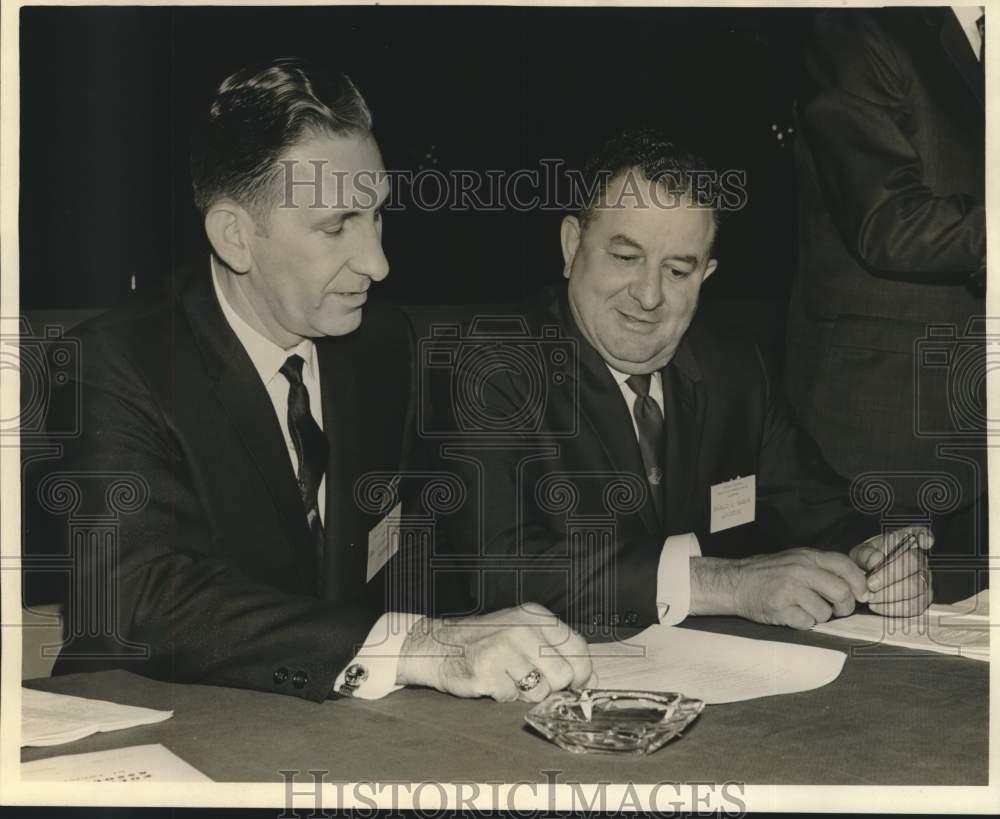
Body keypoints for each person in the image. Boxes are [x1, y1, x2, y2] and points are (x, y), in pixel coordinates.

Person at [35, 58, 590, 704]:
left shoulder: (382, 347)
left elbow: (407, 569)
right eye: (337, 227)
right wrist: (414, 645)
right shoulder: (112, 364)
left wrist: (483, 642)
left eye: (377, 215)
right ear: (236, 237)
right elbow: (137, 601)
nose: (378, 263)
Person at [432, 130, 933, 633]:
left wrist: (878, 555)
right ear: (571, 246)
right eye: (626, 258)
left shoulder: (735, 370)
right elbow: (495, 569)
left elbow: (821, 509)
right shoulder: (494, 367)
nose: (649, 295)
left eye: (677, 270)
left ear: (706, 275)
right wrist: (726, 583)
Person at [784, 8, 987, 601]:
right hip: (882, 420)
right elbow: (885, 222)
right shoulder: (859, 25)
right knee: (881, 658)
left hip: (977, 429)